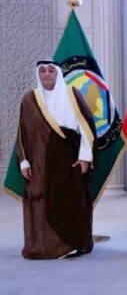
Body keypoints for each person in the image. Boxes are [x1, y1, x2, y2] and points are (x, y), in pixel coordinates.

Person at [16, 61, 96, 259]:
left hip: (69, 160)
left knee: (69, 201)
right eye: (43, 71)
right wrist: (24, 161)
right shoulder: (30, 99)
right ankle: (45, 246)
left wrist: (85, 157)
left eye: (51, 70)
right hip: (40, 162)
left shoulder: (72, 94)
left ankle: (70, 245)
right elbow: (22, 132)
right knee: (42, 202)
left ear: (58, 73)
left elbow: (86, 127)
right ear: (38, 74)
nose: (47, 74)